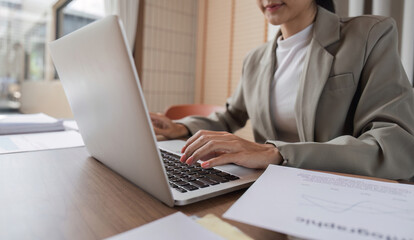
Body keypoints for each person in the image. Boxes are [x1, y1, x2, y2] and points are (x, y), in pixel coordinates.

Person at [150, 0, 414, 180]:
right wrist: (180, 128)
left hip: (333, 190)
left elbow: (394, 144)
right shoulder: (255, 59)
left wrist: (276, 153)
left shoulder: (369, 35)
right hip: (267, 188)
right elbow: (230, 116)